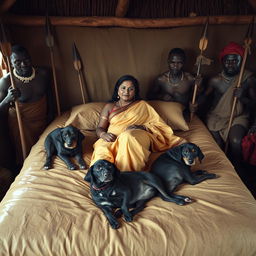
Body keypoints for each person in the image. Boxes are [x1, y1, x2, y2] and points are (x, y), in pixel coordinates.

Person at [90, 74, 186, 171]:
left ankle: (128, 175)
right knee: (101, 149)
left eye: (130, 89)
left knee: (128, 137)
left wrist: (142, 127)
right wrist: (103, 134)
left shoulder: (142, 105)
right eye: (123, 88)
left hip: (135, 135)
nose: (126, 92)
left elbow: (158, 124)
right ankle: (102, 181)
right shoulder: (109, 107)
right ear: (117, 90)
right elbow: (100, 128)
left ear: (135, 91)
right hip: (112, 138)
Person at [0, 45, 54, 167]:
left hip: (43, 121)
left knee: (46, 152)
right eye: (17, 62)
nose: (23, 64)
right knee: (27, 157)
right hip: (21, 126)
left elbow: (50, 95)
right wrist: (8, 99)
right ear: (11, 64)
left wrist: (52, 114)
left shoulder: (43, 74)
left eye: (26, 60)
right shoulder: (6, 81)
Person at [204, 42, 256, 163]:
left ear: (241, 62)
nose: (231, 64)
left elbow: (254, 104)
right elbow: (203, 99)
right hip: (216, 117)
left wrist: (242, 97)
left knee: (236, 141)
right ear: (222, 61)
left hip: (238, 117)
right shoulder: (215, 80)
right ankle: (222, 165)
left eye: (235, 61)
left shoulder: (248, 79)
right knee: (216, 145)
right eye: (228, 60)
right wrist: (194, 104)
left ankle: (238, 168)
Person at [147, 48, 197, 117]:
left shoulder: (190, 79)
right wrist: (161, 97)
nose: (175, 66)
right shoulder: (161, 79)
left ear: (184, 63)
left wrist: (195, 105)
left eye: (179, 63)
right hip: (166, 114)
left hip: (184, 114)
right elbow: (149, 96)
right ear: (168, 61)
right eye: (172, 62)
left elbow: (200, 97)